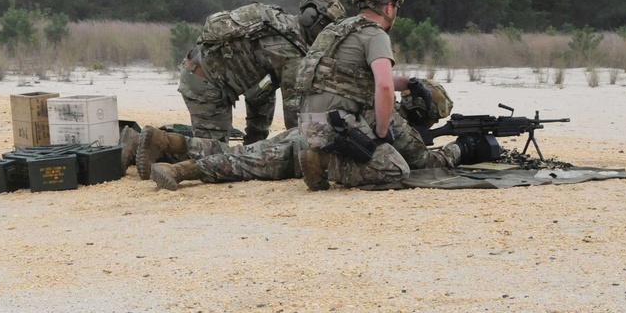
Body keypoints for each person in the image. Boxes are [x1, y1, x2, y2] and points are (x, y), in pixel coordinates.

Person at [132, 78, 463, 190]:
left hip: (303, 131)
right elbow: (422, 161)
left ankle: (168, 141)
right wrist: (459, 150)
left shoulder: (374, 102)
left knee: (239, 153)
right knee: (241, 166)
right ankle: (180, 171)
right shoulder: (398, 123)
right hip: (308, 150)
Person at [176, 0, 346, 150]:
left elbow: (263, 91)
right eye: (326, 27)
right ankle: (161, 144)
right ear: (312, 19)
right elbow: (295, 114)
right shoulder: (292, 52)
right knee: (211, 153)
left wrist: (255, 140)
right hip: (206, 86)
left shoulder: (278, 23)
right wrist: (305, 148)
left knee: (219, 149)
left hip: (200, 75)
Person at [290, 0, 412, 190]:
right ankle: (324, 162)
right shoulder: (375, 34)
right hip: (336, 127)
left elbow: (349, 79)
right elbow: (384, 86)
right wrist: (382, 134)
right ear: (389, 7)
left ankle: (320, 156)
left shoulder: (335, 30)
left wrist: (408, 83)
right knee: (396, 170)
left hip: (308, 124)